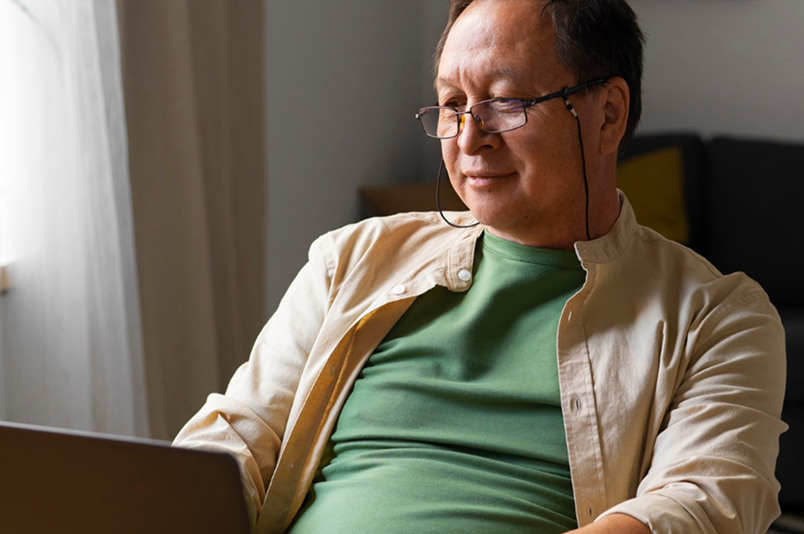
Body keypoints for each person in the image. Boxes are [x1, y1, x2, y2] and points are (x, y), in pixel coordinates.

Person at [174, 0, 787, 532]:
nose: (468, 139)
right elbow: (240, 438)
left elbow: (703, 503)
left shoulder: (718, 318)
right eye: (452, 104)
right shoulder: (351, 261)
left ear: (607, 115)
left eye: (505, 102)